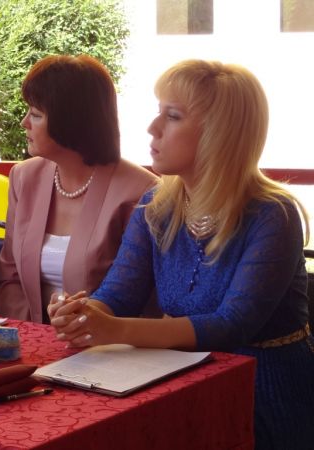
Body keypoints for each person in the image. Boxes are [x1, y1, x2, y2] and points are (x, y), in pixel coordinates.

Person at [49, 59, 313, 449]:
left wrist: (113, 329)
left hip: (265, 393)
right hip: (181, 378)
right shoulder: (156, 204)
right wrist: (83, 315)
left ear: (219, 134)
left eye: (172, 116)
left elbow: (232, 325)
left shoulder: (273, 213)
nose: (152, 128)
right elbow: (118, 294)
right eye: (159, 112)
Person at [0, 55, 157, 323]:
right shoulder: (24, 176)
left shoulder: (141, 192)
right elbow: (9, 276)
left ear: (70, 121)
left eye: (36, 114)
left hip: (104, 343)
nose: (24, 122)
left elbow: (137, 296)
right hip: (29, 337)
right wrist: (25, 335)